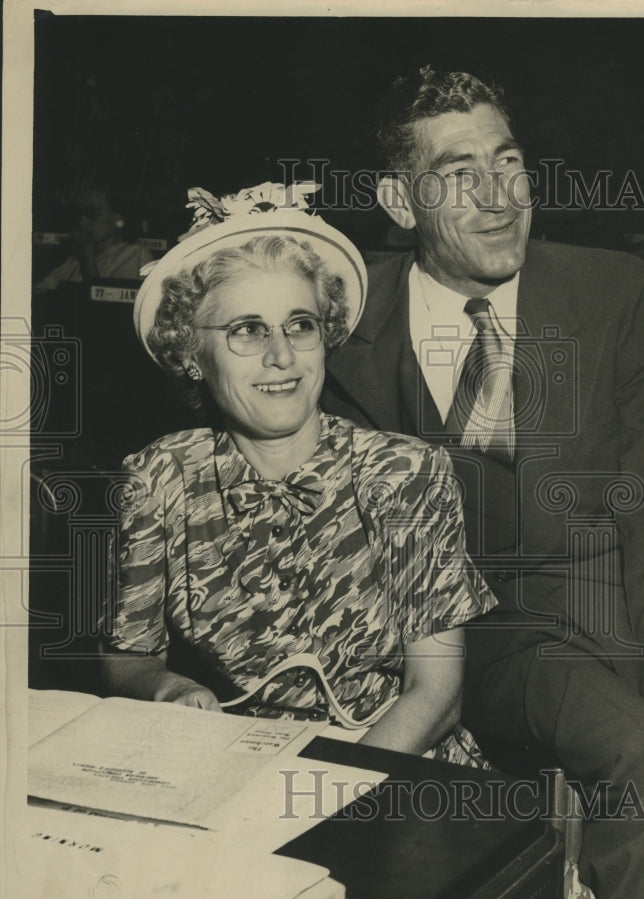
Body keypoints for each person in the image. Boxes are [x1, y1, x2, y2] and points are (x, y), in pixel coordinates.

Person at [320, 67, 644, 899]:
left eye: (511, 161)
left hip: (628, 613)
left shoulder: (611, 292)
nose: (498, 198)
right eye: (458, 173)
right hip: (474, 638)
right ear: (396, 201)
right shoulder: (338, 313)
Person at [100, 179, 496, 765]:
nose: (281, 355)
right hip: (239, 767)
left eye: (300, 324)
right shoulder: (159, 479)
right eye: (247, 329)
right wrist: (167, 687)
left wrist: (325, 791)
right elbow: (125, 656)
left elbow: (436, 697)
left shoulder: (405, 474)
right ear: (190, 354)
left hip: (399, 770)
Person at [34, 187, 152, 292]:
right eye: (80, 214)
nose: (82, 222)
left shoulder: (135, 254)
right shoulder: (75, 260)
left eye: (92, 213)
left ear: (119, 218)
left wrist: (89, 263)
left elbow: (111, 305)